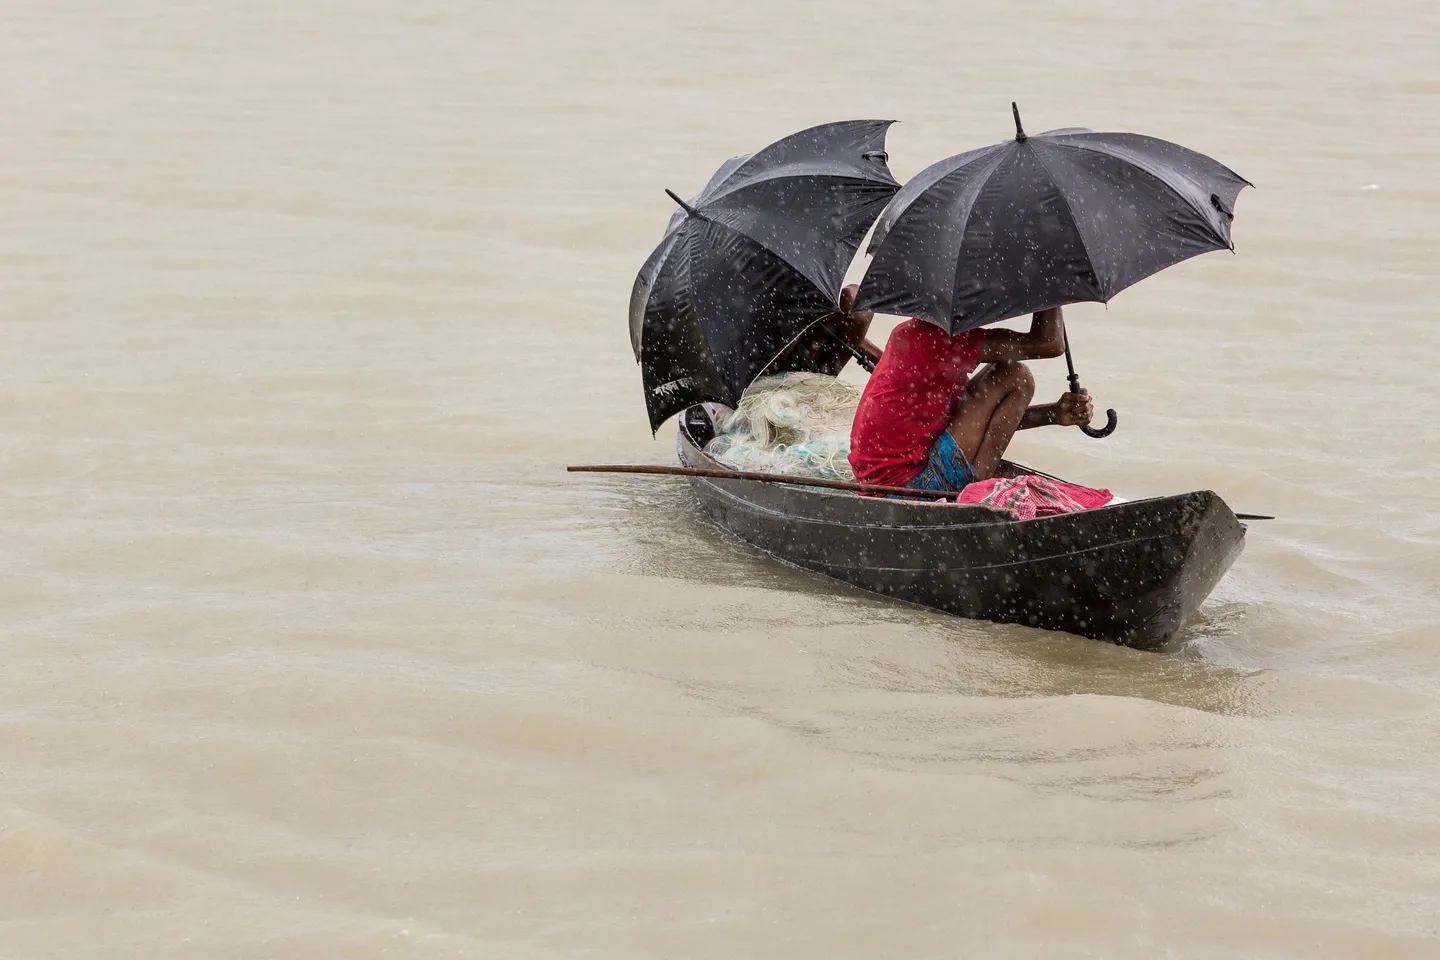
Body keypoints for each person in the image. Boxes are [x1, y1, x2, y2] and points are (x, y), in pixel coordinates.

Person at [847, 305, 1093, 493]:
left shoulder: (909, 332)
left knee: (1004, 374)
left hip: (879, 480)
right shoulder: (942, 340)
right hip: (906, 486)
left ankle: (972, 482)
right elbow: (1048, 343)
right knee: (1018, 376)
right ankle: (974, 494)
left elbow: (984, 422)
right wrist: (1051, 291)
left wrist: (1054, 414)